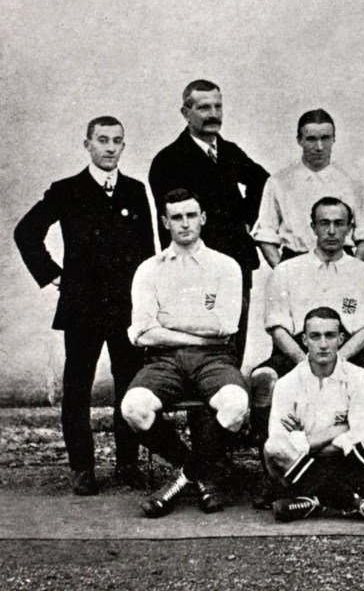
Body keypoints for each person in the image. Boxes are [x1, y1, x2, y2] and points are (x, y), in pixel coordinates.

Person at [14, 116, 155, 495]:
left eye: (117, 141)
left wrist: (149, 302)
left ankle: (128, 464)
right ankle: (82, 469)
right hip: (83, 306)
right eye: (103, 140)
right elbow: (25, 232)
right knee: (78, 387)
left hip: (127, 309)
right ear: (87, 145)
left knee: (130, 385)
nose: (110, 148)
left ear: (124, 147)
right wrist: (55, 275)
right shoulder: (67, 190)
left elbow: (148, 254)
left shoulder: (135, 191)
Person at [249, 196, 364, 507]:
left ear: (350, 228)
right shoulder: (288, 270)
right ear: (312, 226)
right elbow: (277, 327)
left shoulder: (362, 272)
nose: (331, 230)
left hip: (348, 351)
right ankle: (272, 473)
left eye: (339, 223)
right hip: (296, 350)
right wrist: (309, 361)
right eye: (324, 223)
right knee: (263, 378)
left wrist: (335, 360)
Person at [120, 188, 250, 518]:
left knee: (235, 406)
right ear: (165, 223)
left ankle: (181, 480)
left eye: (191, 215)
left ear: (203, 218)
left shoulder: (226, 266)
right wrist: (198, 332)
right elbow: (141, 332)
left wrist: (167, 321)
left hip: (215, 359)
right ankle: (201, 473)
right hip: (164, 360)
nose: (185, 223)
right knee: (133, 408)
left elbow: (225, 325)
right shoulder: (149, 269)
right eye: (176, 217)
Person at [149, 79, 269, 363]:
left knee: (233, 333)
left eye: (218, 106)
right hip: (195, 265)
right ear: (185, 113)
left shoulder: (229, 152)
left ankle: (229, 397)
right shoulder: (168, 160)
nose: (213, 114)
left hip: (237, 259)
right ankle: (201, 406)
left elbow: (262, 180)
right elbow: (168, 220)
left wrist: (247, 220)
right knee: (200, 336)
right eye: (204, 107)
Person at [265, 307, 364, 524]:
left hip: (347, 462)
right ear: (304, 340)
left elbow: (363, 432)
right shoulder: (287, 383)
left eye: (329, 336)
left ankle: (315, 500)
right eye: (315, 336)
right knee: (274, 446)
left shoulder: (357, 376)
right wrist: (342, 428)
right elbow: (279, 440)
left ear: (340, 339)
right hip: (304, 463)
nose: (322, 344)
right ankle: (356, 504)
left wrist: (307, 439)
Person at [251, 109, 364, 266]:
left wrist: (352, 271)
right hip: (296, 264)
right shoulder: (279, 182)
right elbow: (266, 235)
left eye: (325, 138)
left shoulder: (351, 182)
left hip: (340, 263)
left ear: (334, 139)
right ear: (300, 140)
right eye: (311, 139)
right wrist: (282, 272)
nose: (319, 147)